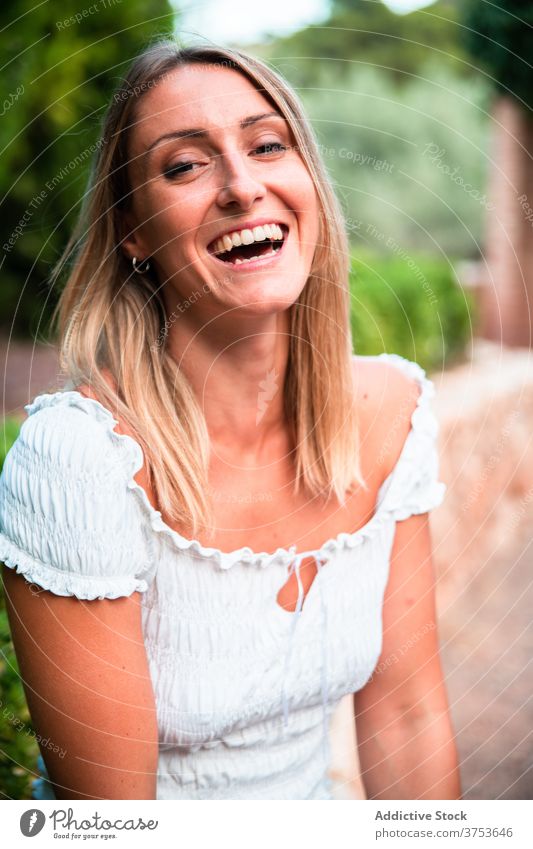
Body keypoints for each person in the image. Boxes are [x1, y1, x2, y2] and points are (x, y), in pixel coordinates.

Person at [0, 38, 461, 801]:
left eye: (267, 145)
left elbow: (408, 718)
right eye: (184, 165)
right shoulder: (80, 462)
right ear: (133, 231)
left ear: (308, 178)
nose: (243, 186)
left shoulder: (392, 413)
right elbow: (115, 822)